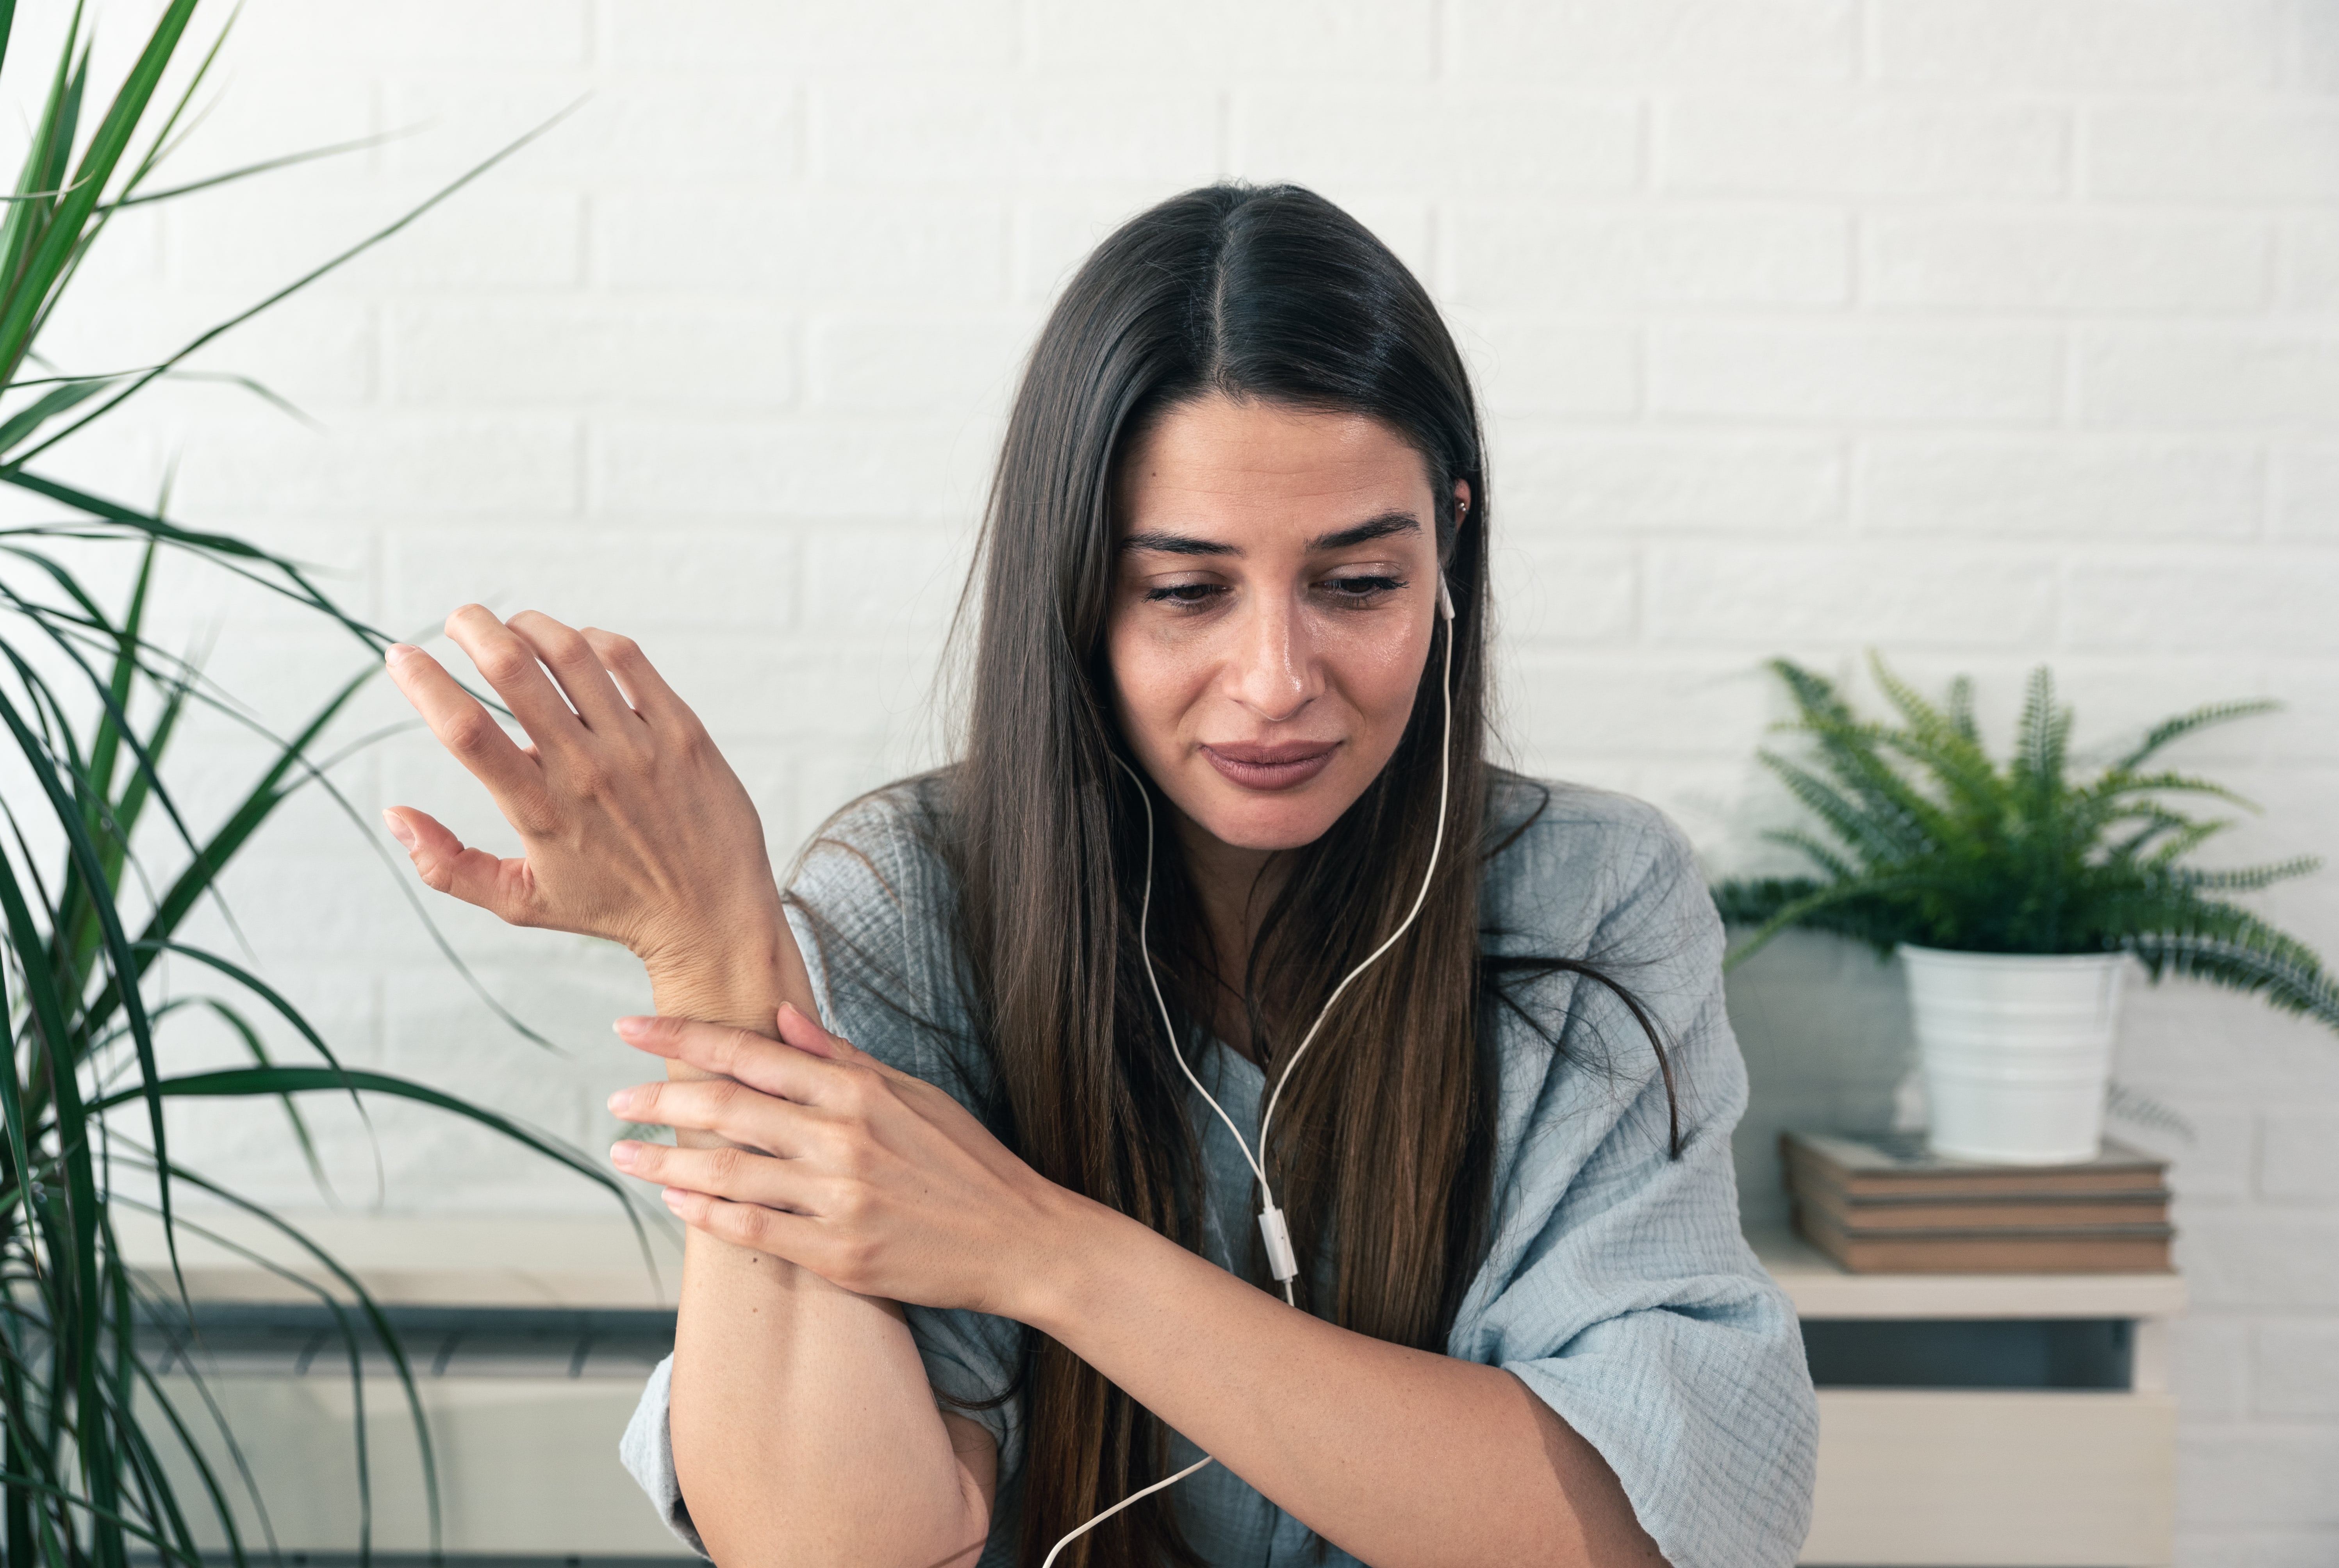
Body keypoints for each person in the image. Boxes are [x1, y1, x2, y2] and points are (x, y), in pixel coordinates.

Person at [379, 183, 1816, 1568]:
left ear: (1448, 541)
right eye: (1185, 591)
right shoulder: (912, 905)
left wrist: (1038, 1252)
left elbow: (1645, 1534)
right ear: (1074, 588)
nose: (1275, 683)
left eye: (1359, 585)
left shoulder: (1591, 894)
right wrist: (713, 960)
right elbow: (839, 1549)